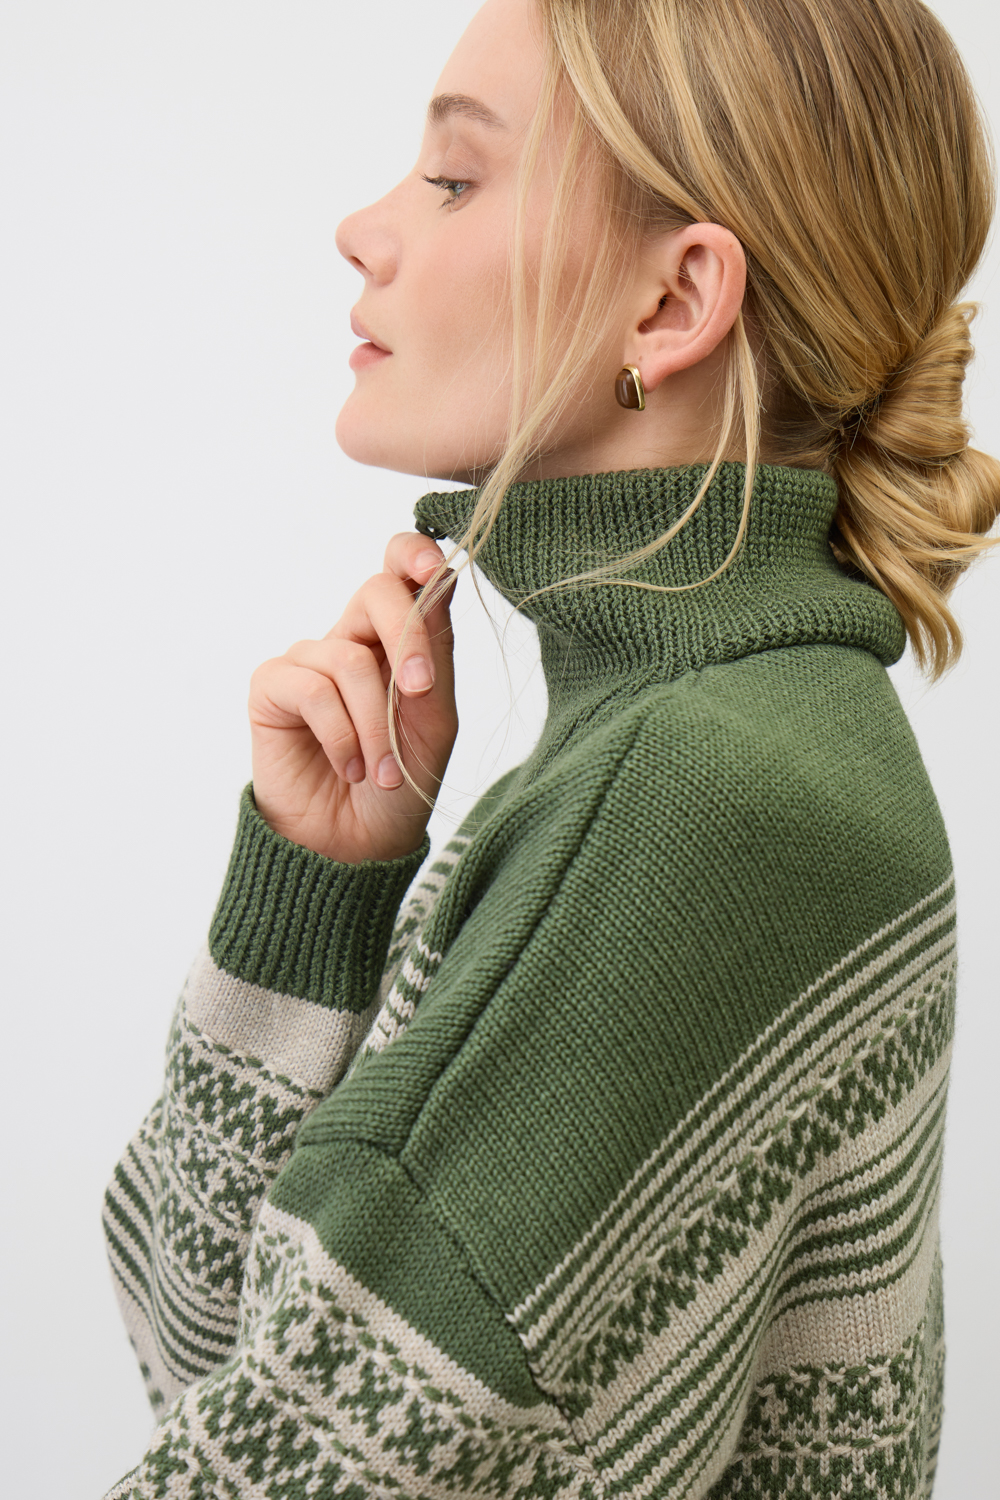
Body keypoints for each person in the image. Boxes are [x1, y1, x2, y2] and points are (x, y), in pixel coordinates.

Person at [101, 0, 1000, 1495]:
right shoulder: (729, 740)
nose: (361, 230)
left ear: (672, 305)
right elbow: (222, 1368)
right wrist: (313, 894)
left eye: (455, 179)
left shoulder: (701, 797)